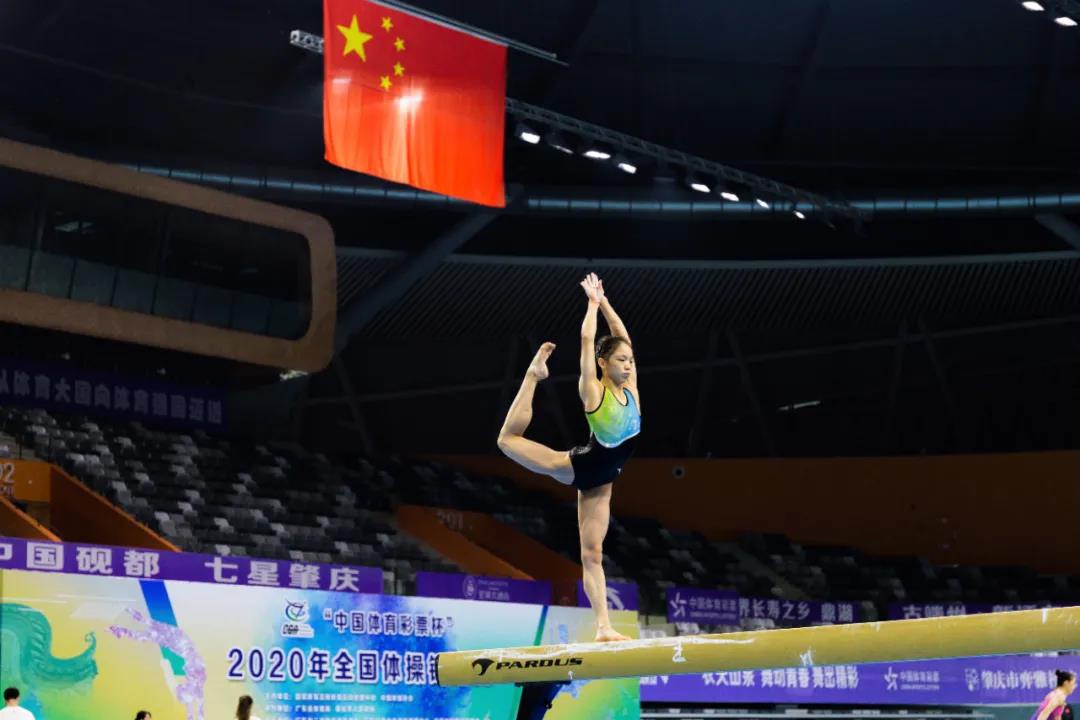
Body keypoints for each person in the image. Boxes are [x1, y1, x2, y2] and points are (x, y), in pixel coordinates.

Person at [497, 272, 640, 642]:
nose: (628, 365)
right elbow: (588, 339)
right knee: (507, 441)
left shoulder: (631, 389)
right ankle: (533, 375)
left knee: (593, 554)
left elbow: (621, 334)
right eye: (621, 360)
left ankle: (604, 627)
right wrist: (591, 305)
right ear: (603, 363)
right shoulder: (593, 390)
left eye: (629, 360)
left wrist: (606, 302)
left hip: (604, 482)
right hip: (578, 468)